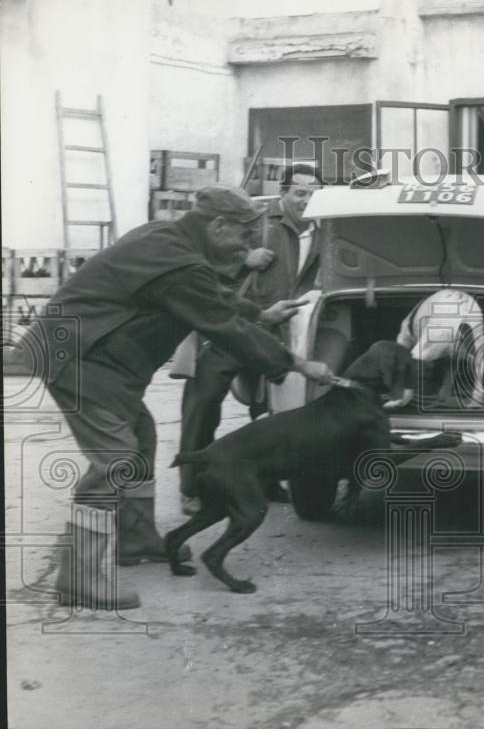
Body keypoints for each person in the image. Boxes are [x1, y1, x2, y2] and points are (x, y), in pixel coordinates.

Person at [30, 184, 334, 610]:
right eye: (244, 236)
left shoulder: (167, 239)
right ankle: (78, 574)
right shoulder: (178, 260)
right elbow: (221, 324)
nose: (247, 247)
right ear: (218, 224)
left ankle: (136, 539)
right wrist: (297, 363)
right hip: (78, 357)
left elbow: (213, 296)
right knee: (115, 459)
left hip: (96, 357)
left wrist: (260, 312)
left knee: (142, 435)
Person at [178, 164, 322, 513]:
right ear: (283, 194)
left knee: (274, 412)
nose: (307, 200)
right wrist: (245, 261)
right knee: (205, 398)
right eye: (299, 193)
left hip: (288, 331)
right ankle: (192, 487)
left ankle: (266, 480)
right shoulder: (256, 223)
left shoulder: (327, 230)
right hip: (236, 326)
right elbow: (202, 268)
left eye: (314, 193)